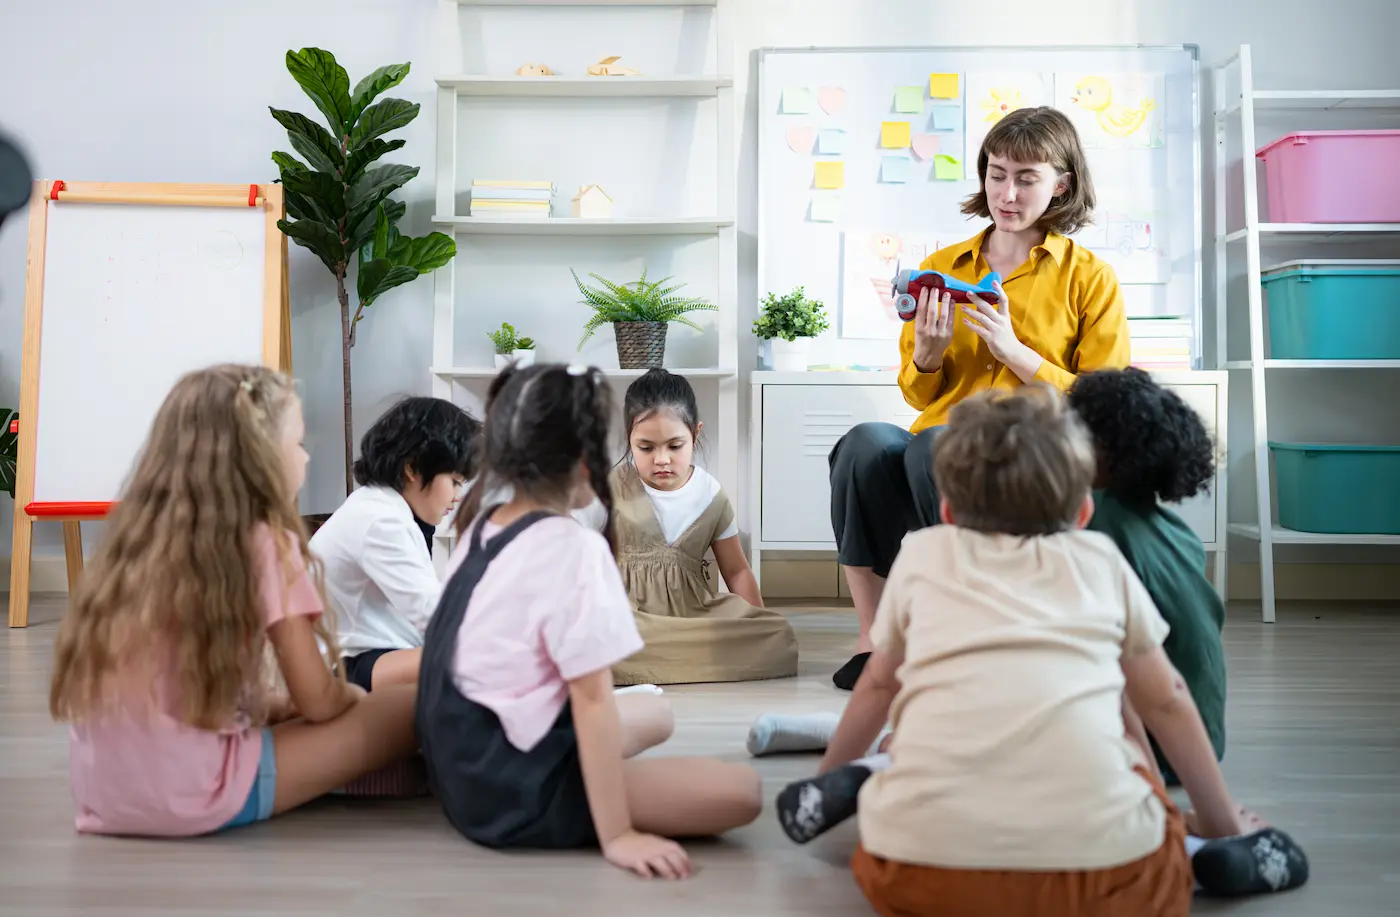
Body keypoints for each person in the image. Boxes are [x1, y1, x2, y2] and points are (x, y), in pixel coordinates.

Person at [774, 386, 1308, 911]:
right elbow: (1166, 699)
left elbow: (879, 685)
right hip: (1107, 880)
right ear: (1081, 512)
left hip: (922, 878)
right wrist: (1220, 824)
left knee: (922, 734)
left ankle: (861, 776)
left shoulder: (921, 556)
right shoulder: (1100, 558)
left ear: (948, 512)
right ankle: (1197, 851)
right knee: (1115, 703)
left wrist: (822, 783)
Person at [416, 363, 762, 879]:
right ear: (583, 460)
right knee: (743, 792)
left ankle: (591, 774)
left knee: (655, 714)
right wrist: (618, 833)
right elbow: (593, 698)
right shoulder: (573, 545)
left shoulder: (484, 522)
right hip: (508, 789)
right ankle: (591, 792)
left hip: (460, 762)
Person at [828, 106, 1130, 689]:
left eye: (1026, 178)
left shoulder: (1088, 277)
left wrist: (1019, 353)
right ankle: (875, 640)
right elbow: (919, 393)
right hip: (941, 433)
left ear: (1061, 184)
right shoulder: (942, 269)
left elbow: (1104, 402)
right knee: (865, 444)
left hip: (1036, 446)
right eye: (996, 174)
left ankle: (960, 629)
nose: (1006, 193)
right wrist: (929, 353)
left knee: (934, 447)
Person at [49, 364, 418, 836]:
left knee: (289, 714)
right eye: (299, 445)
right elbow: (319, 700)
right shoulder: (267, 543)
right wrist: (349, 695)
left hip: (104, 796)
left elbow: (184, 682)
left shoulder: (136, 545)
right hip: (198, 791)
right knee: (406, 707)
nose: (305, 459)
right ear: (259, 459)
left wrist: (273, 707)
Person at [1070, 367, 1227, 784]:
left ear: (1099, 450)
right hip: (1201, 742)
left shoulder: (1094, 528)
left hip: (1153, 751)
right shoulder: (1175, 531)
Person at [608, 369, 797, 685]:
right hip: (627, 616)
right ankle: (667, 661)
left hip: (691, 616)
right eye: (646, 447)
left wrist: (757, 623)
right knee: (591, 633)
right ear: (629, 437)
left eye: (674, 445)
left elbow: (736, 571)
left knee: (776, 633)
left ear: (695, 435)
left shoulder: (710, 495)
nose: (662, 459)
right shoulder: (608, 488)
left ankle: (644, 665)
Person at [310, 396, 480, 692]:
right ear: (413, 468)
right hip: (346, 665)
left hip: (365, 655)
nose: (457, 496)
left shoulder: (382, 508)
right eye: (454, 481)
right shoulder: (380, 521)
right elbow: (435, 614)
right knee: (477, 655)